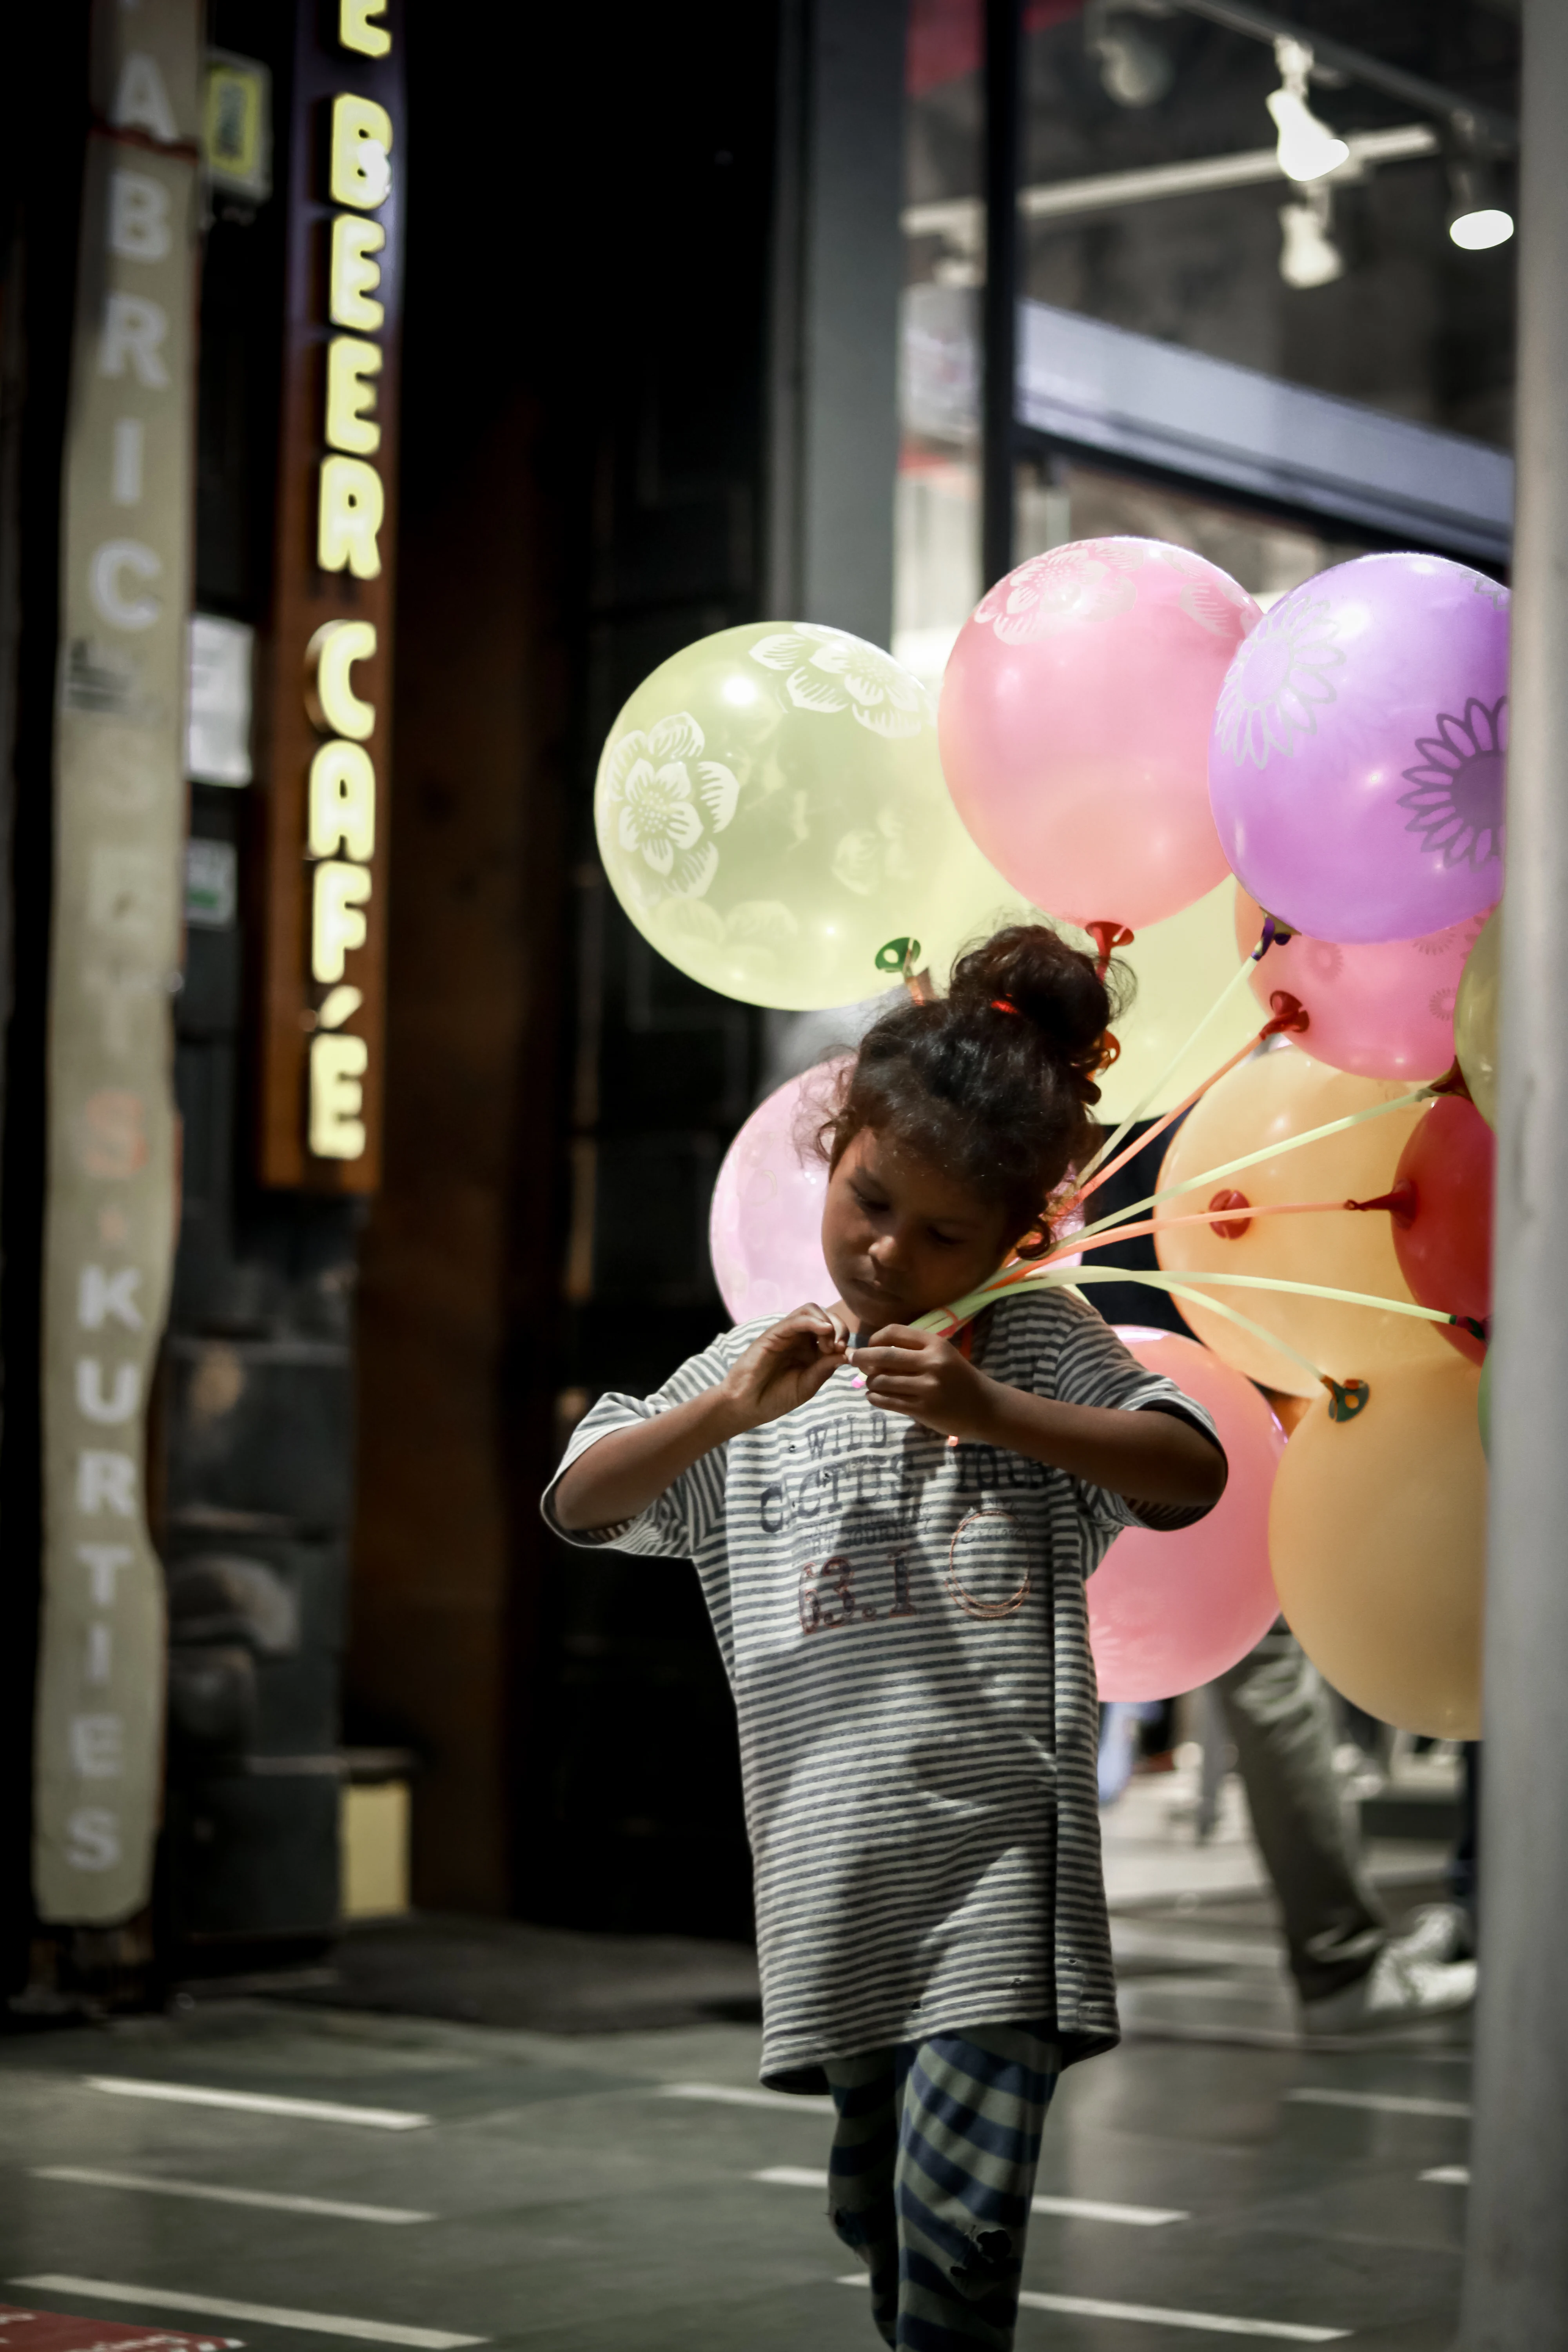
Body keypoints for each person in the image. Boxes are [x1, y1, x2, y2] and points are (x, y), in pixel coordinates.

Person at [544, 927, 1228, 2351]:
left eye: (943, 1236)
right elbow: (581, 1498)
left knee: (958, 2242)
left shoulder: (1028, 1348)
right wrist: (728, 1410)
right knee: (881, 2224)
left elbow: (1189, 1470)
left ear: (1017, 1238)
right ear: (834, 1141)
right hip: (828, 1889)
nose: (889, 1253)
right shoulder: (764, 1364)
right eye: (870, 1202)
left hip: (996, 1880)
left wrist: (997, 1417)